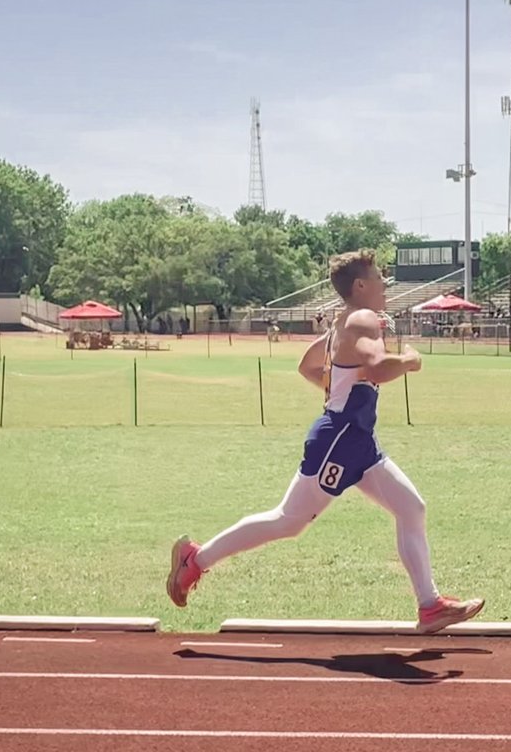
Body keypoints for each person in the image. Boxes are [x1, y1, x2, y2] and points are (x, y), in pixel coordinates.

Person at [166, 249, 485, 634]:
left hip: (357, 441)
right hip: (340, 440)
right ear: (360, 286)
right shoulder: (364, 319)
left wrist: (337, 392)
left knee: (411, 508)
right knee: (287, 521)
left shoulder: (341, 324)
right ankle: (195, 560)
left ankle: (430, 606)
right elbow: (376, 367)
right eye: (380, 278)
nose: (385, 285)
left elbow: (307, 365)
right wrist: (410, 361)